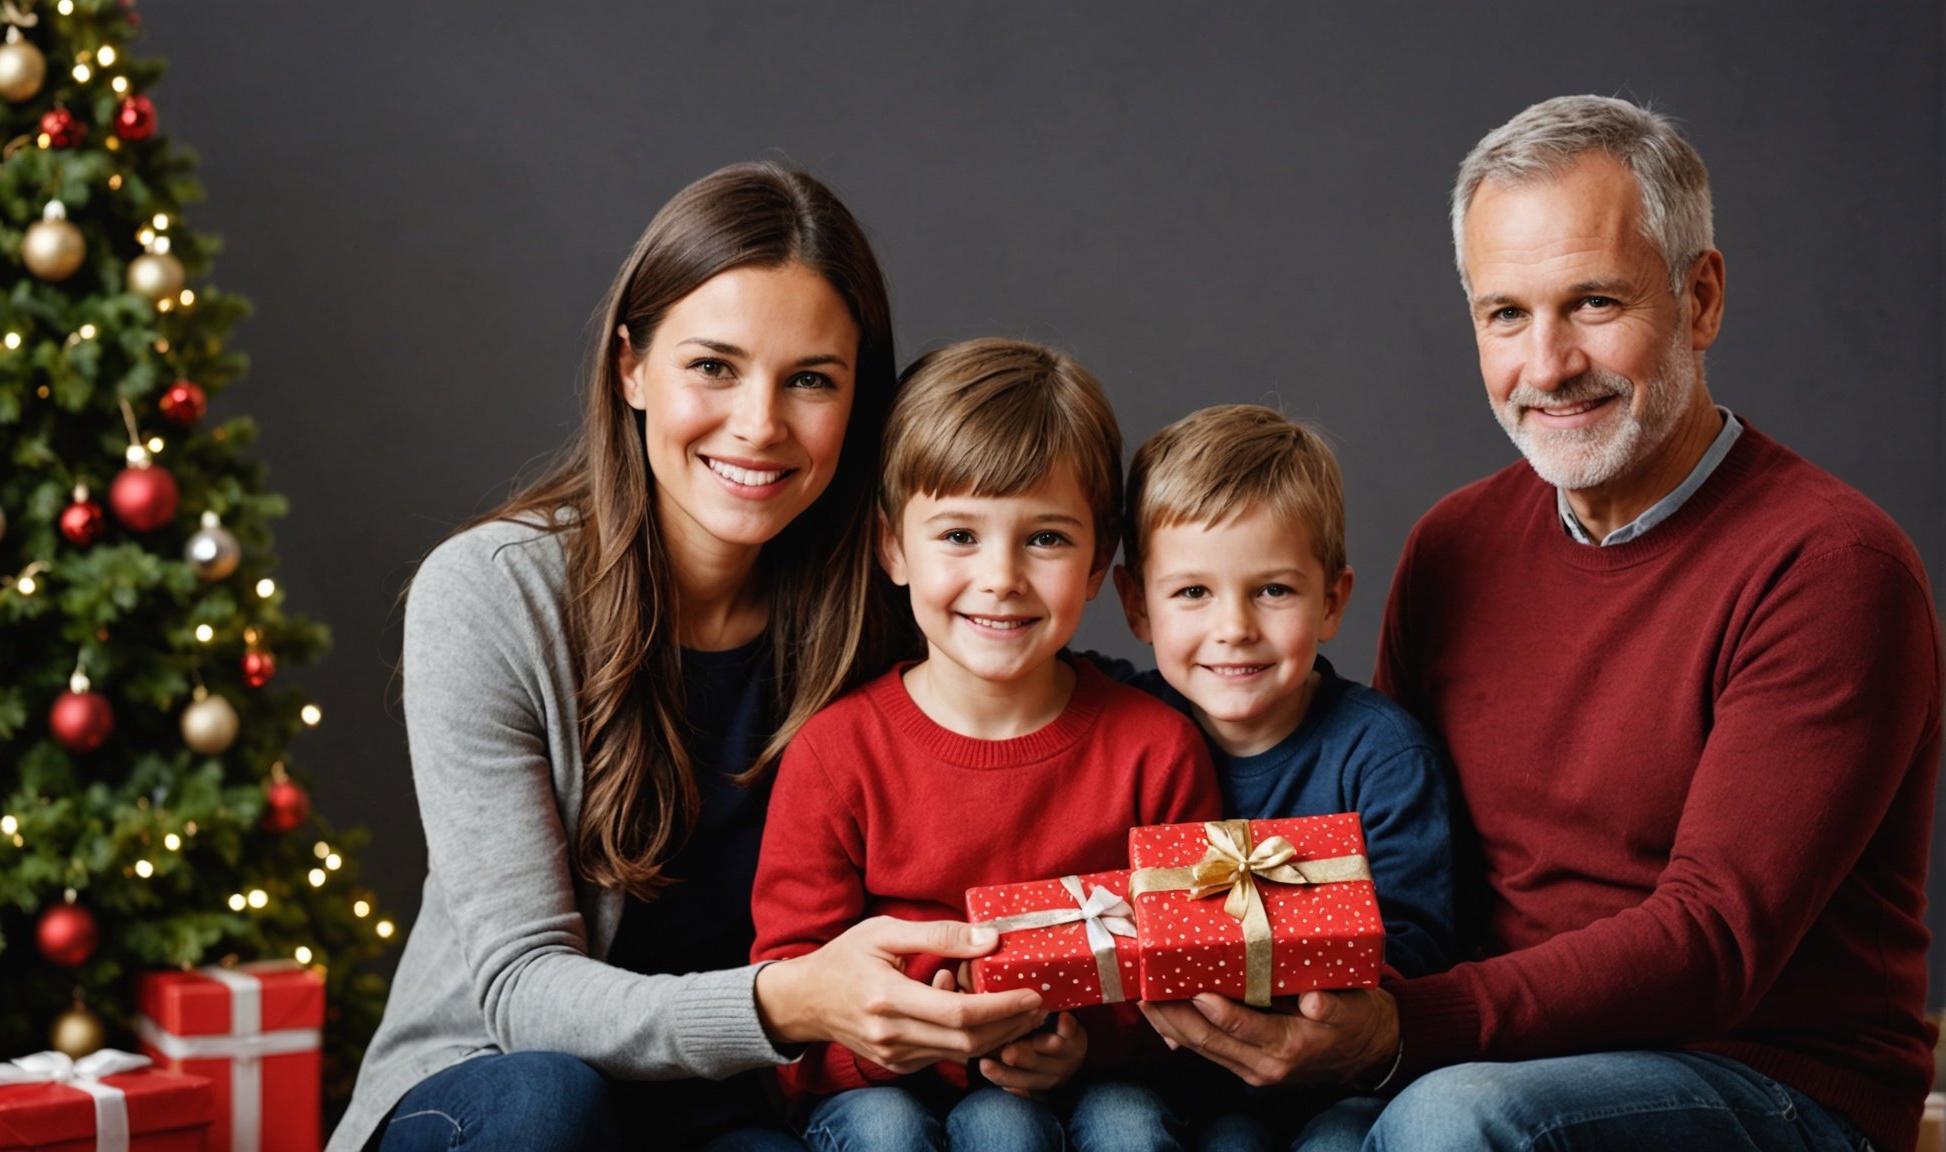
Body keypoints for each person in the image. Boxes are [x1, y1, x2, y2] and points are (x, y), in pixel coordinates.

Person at [1137, 95, 1941, 1152]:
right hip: (1482, 1051)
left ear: (1700, 300)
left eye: (1595, 302)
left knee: (1453, 1121)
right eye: (1506, 314)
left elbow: (1715, 941)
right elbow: (1399, 847)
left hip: (1765, 1077)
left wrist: (1398, 1034)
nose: (1549, 364)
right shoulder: (1454, 545)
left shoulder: (1829, 567)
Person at [329, 164, 1050, 1152]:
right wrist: (789, 1001)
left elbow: (1074, 716)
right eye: (714, 365)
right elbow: (519, 992)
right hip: (492, 1092)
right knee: (553, 1100)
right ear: (631, 367)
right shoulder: (492, 593)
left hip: (726, 1115)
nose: (760, 423)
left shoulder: (884, 615)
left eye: (810, 380)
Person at [750, 338, 1222, 1151]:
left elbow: (1192, 974)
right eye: (959, 536)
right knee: (890, 1132)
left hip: (1096, 1087)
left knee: (1127, 1124)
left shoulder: (1158, 752)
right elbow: (792, 996)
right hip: (882, 1090)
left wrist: (1084, 1046)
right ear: (893, 546)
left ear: (1098, 562)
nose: (1001, 576)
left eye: (1045, 539)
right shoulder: (836, 753)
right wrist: (885, 1039)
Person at [1109, 404, 1454, 1149]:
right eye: (1192, 593)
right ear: (1137, 604)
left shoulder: (1382, 755)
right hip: (1166, 1072)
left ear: (1332, 600)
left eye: (1274, 591)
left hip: (1333, 1083)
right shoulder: (1119, 724)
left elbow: (1415, 946)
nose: (1235, 626)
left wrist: (1304, 979)